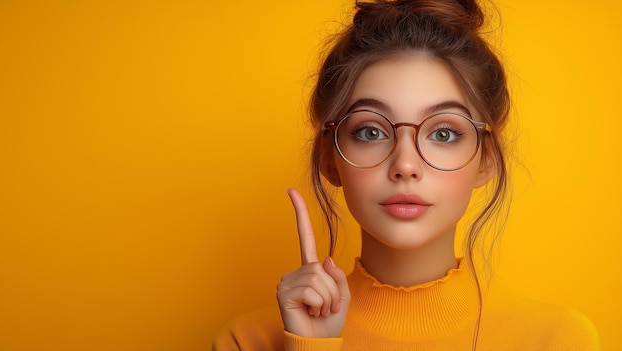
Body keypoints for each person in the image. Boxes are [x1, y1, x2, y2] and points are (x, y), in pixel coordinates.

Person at [213, 0, 600, 350]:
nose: (405, 165)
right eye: (371, 131)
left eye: (444, 133)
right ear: (330, 159)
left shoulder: (560, 340)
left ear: (486, 160)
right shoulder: (249, 341)